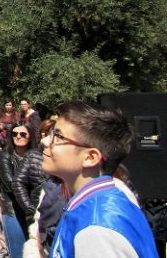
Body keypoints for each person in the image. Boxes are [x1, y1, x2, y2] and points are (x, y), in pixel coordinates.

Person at [40, 101, 158, 258]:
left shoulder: (96, 229)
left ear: (90, 157)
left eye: (58, 136)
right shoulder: (100, 201)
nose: (45, 141)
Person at [0, 122, 36, 258]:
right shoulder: (5, 156)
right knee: (18, 251)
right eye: (14, 134)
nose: (18, 137)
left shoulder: (37, 156)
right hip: (13, 208)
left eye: (22, 134)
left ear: (30, 136)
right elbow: (10, 184)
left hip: (35, 208)